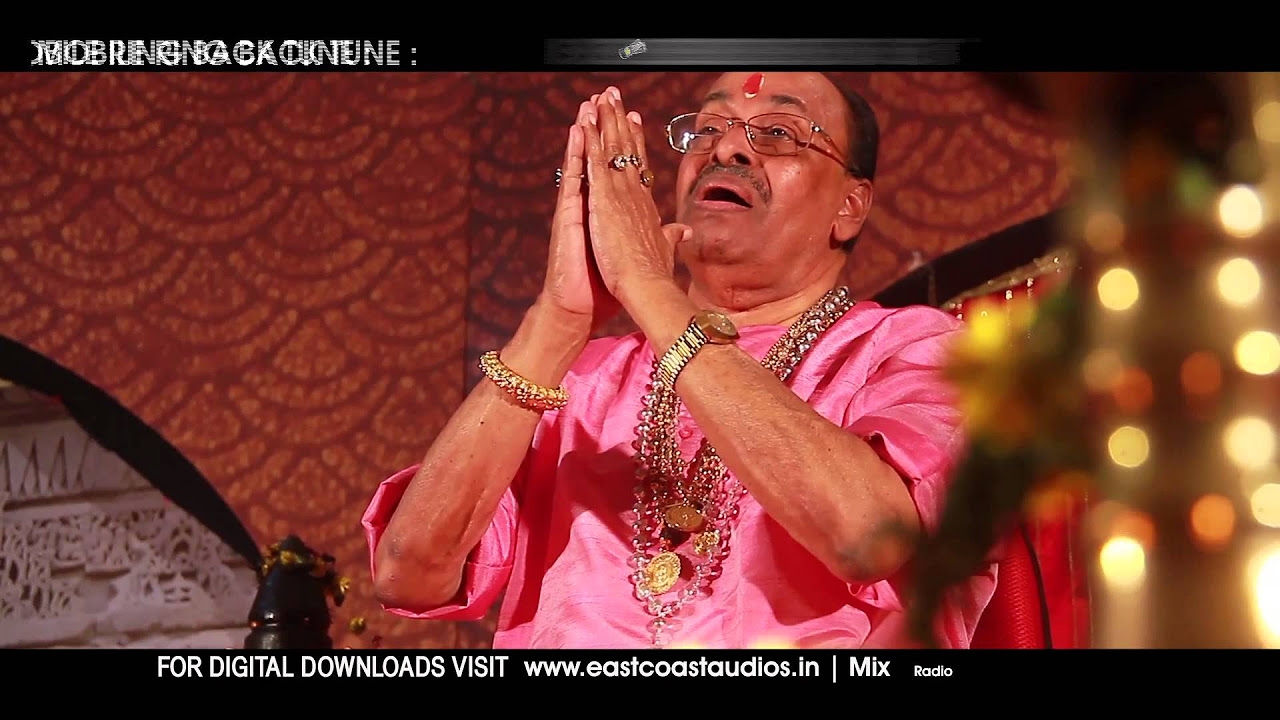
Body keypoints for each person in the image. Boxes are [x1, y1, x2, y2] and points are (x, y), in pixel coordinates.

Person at [363, 72, 996, 649]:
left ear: (849, 207)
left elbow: (869, 536)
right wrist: (558, 320)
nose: (728, 149)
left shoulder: (916, 351)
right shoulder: (581, 381)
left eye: (779, 133)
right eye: (707, 129)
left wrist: (647, 285)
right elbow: (408, 573)